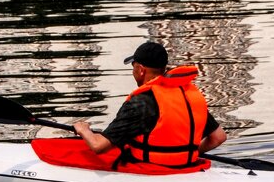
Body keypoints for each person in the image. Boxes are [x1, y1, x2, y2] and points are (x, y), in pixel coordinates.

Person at [72, 41, 226, 171]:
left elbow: (98, 146)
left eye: (133, 67)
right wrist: (185, 152)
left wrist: (83, 129)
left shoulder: (140, 102)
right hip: (187, 168)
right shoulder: (188, 96)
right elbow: (218, 138)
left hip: (152, 171)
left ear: (140, 70)